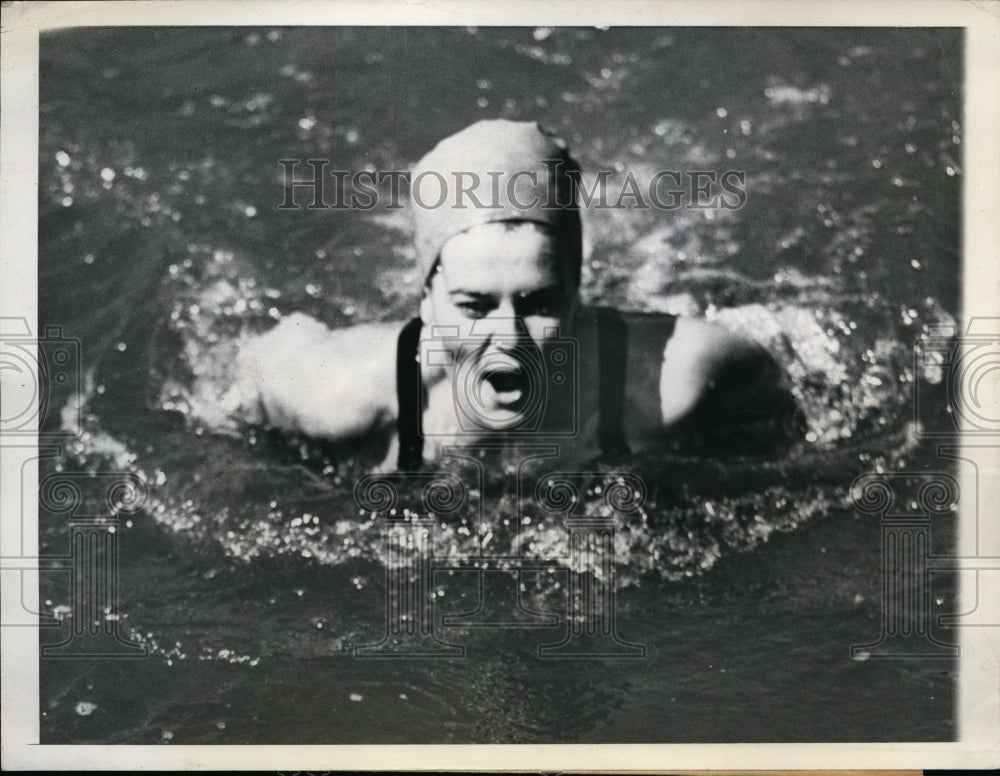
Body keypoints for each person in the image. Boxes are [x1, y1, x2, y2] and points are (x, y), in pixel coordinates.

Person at [235, 120, 797, 471]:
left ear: (578, 291)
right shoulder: (340, 394)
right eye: (475, 306)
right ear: (425, 302)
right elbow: (249, 373)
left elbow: (798, 406)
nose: (508, 339)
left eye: (538, 304)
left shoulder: (674, 382)